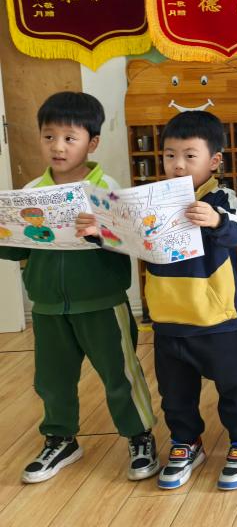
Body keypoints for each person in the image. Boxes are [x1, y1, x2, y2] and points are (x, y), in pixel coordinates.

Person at [80, 111, 237, 490]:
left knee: (235, 387)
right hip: (167, 319)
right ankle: (186, 441)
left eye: (189, 156)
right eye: (169, 155)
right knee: (175, 394)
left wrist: (216, 221)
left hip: (216, 319)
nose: (178, 164)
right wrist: (99, 233)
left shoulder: (220, 197)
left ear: (214, 161)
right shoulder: (149, 199)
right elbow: (125, 238)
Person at [0, 92, 156, 484]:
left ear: (93, 142)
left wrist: (101, 231)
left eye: (70, 138)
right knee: (52, 380)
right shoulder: (31, 192)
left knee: (120, 375)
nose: (58, 146)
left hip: (102, 302)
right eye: (49, 136)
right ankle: (60, 439)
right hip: (48, 306)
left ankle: (139, 436)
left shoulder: (108, 191)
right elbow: (16, 248)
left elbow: (131, 242)